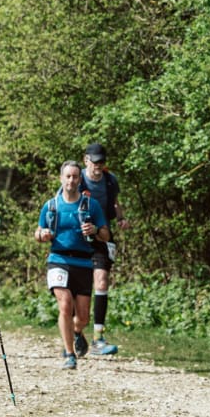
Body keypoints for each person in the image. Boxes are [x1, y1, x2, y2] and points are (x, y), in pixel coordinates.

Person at [34, 160, 110, 369]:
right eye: (68, 176)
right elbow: (38, 232)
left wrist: (95, 230)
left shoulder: (91, 205)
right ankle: (69, 354)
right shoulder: (51, 205)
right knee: (65, 304)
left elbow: (106, 234)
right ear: (61, 178)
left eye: (75, 176)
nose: (71, 180)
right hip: (58, 259)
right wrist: (43, 234)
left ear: (80, 179)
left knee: (83, 317)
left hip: (83, 262)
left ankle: (76, 332)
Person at [81, 142, 129, 356]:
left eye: (101, 162)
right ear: (86, 160)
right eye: (95, 162)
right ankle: (75, 332)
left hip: (103, 235)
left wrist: (121, 218)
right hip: (78, 238)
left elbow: (115, 202)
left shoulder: (110, 180)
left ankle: (98, 338)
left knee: (101, 281)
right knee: (79, 288)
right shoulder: (76, 179)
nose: (98, 166)